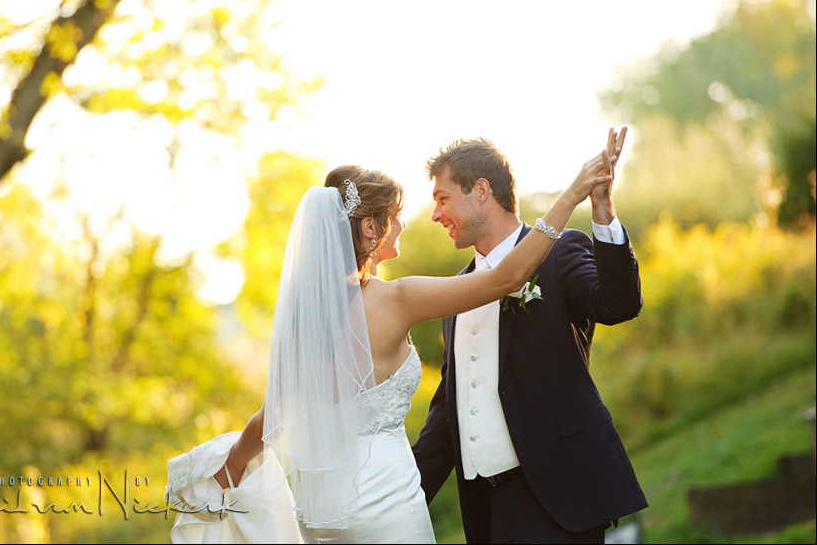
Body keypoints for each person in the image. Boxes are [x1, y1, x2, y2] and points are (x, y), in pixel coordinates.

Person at [205, 143, 617, 544]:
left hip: (322, 514)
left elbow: (272, 412)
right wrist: (573, 195)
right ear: (370, 228)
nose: (405, 223)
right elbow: (504, 280)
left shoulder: (308, 323)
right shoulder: (396, 299)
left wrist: (230, 470)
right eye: (395, 215)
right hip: (386, 503)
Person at [411, 128, 648, 544]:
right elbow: (451, 406)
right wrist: (397, 499)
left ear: (481, 190)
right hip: (486, 511)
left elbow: (619, 304)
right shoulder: (457, 291)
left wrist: (603, 211)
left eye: (442, 198)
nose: (435, 215)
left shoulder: (560, 254)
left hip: (557, 497)